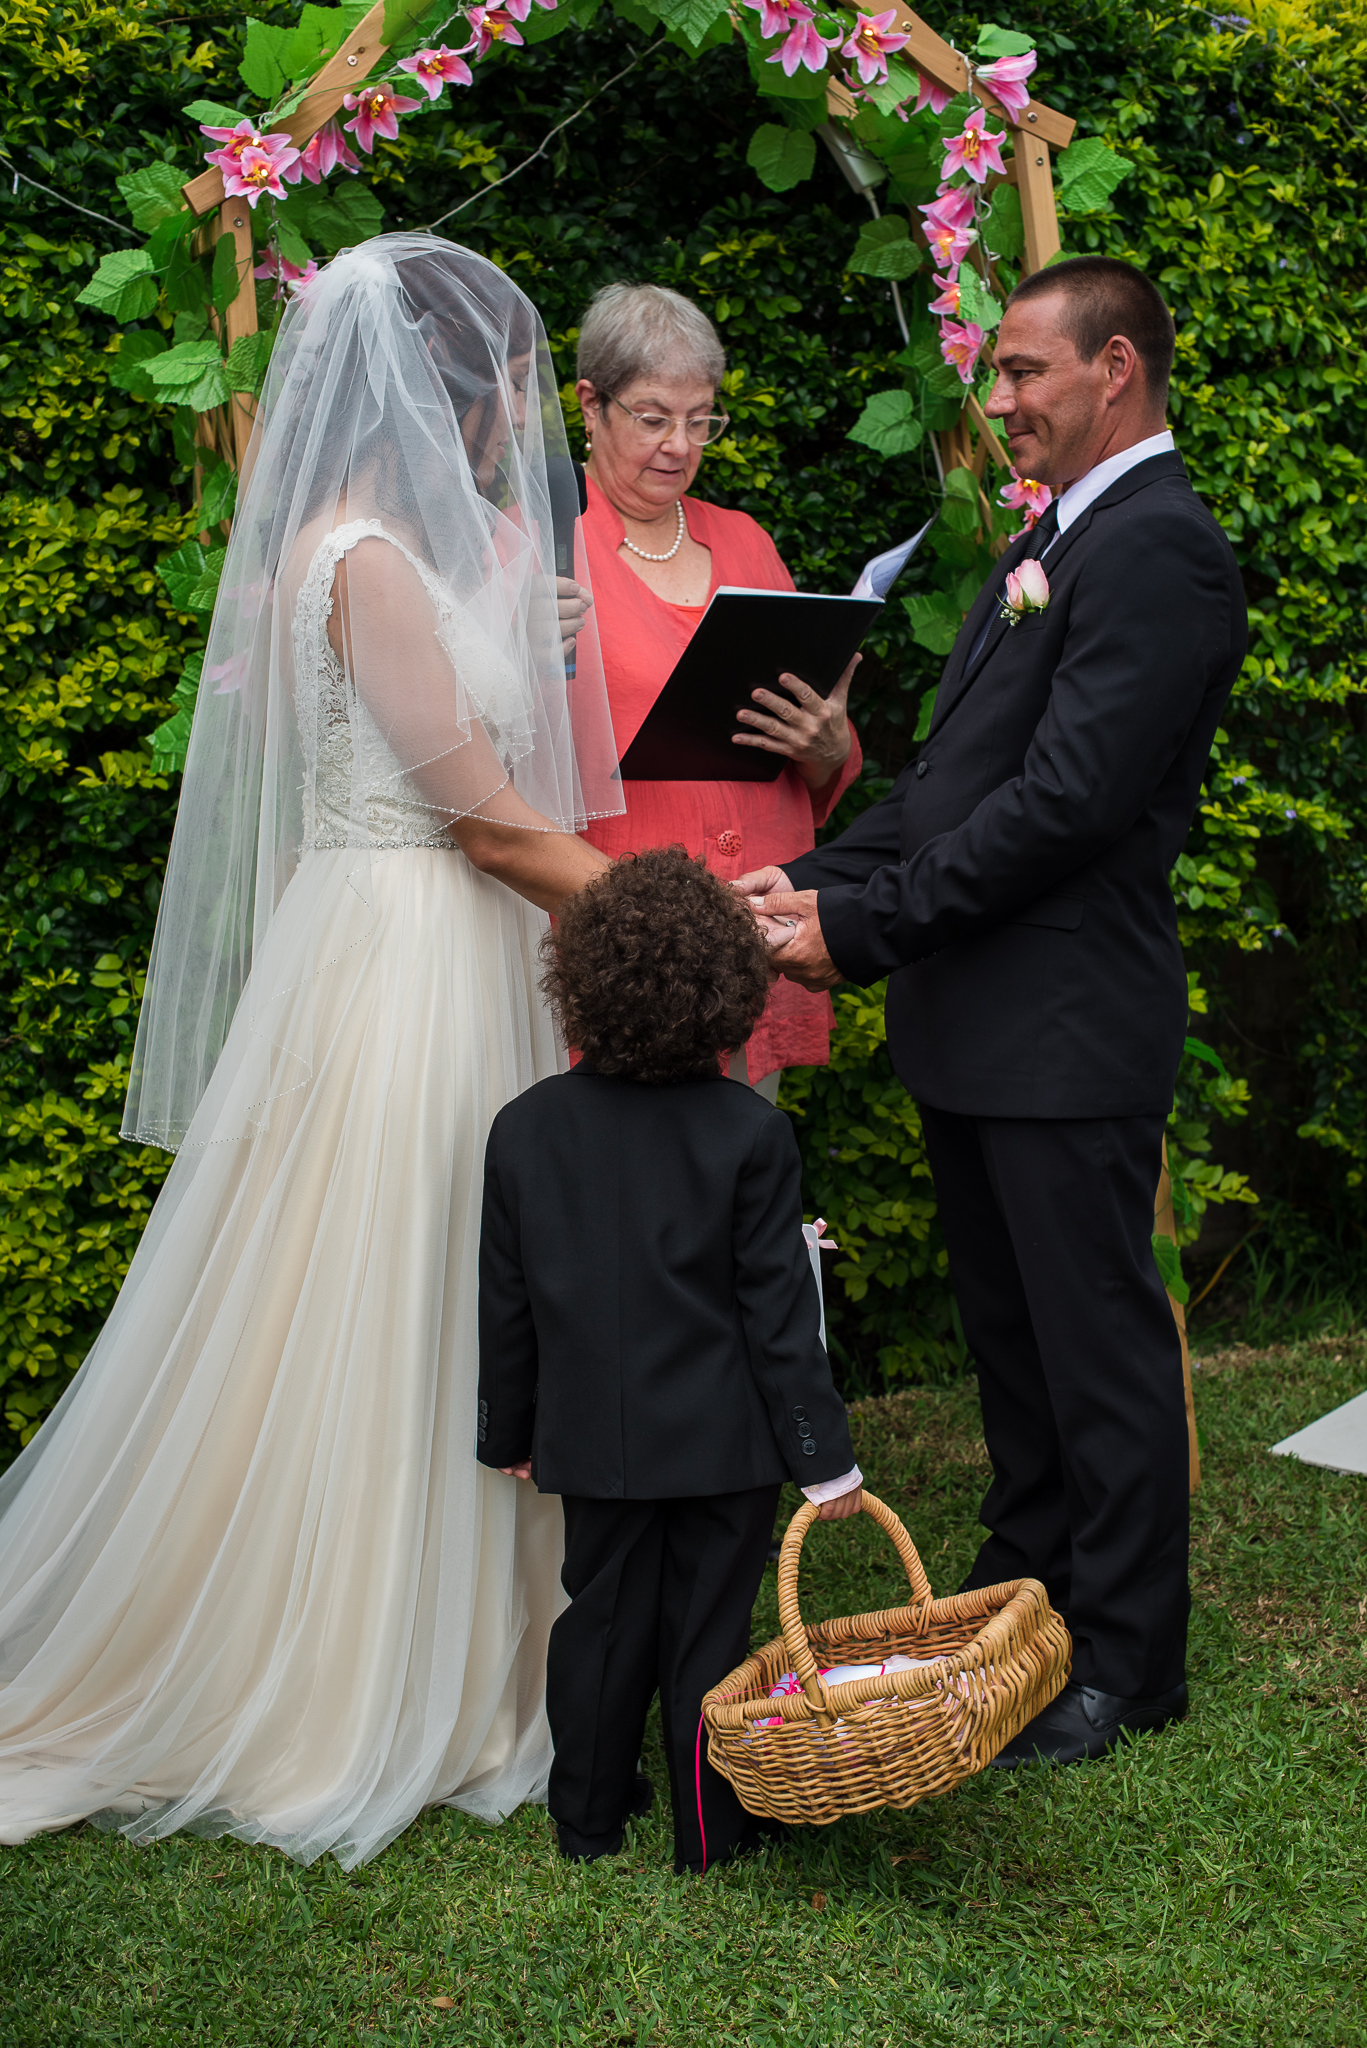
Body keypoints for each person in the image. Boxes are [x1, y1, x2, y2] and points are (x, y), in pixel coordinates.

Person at [0, 237, 624, 1865]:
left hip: (406, 941)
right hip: (411, 953)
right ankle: (358, 1662)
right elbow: (485, 819)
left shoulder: (362, 557)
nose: (507, 423)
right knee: (407, 1280)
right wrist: (663, 906)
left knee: (416, 1281)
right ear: (432, 394)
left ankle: (470, 1624)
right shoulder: (364, 566)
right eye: (492, 391)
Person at [737, 256, 1248, 1767]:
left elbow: (1063, 808)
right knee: (1013, 1351)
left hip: (1066, 1025)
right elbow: (952, 789)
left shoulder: (1155, 550)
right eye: (999, 371)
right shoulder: (1048, 541)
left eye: (1024, 371)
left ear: (1116, 371)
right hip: (982, 1030)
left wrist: (864, 927)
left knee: (1094, 1356)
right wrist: (803, 878)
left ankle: (1125, 1665)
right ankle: (1024, 1607)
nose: (999, 399)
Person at [475, 848, 862, 1873]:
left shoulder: (521, 1130)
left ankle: (587, 1817)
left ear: (583, 983)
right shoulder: (748, 1132)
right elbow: (778, 1321)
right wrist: (825, 1461)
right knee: (706, 1634)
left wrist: (510, 1430)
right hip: (722, 1446)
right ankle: (707, 1827)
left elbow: (505, 1306)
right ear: (728, 994)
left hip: (591, 1439)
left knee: (597, 1619)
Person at [572, 283, 863, 1099]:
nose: (679, 445)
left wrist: (828, 747)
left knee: (737, 1184)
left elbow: (822, 766)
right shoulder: (536, 547)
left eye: (702, 420)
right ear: (589, 405)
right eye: (654, 417)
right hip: (625, 950)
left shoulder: (745, 542)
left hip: (752, 942)